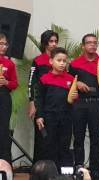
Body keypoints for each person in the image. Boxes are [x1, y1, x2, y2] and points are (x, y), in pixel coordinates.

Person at [69, 34, 99, 178]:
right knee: (78, 137)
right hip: (79, 104)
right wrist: (77, 83)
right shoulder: (75, 64)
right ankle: (79, 167)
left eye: (95, 43)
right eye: (89, 43)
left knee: (95, 138)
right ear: (83, 46)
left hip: (96, 103)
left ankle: (95, 168)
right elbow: (68, 83)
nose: (92, 45)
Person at [35, 47, 77, 170]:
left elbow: (73, 100)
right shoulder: (44, 79)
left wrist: (75, 97)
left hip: (66, 118)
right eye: (59, 60)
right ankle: (49, 173)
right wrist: (40, 116)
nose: (62, 63)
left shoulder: (70, 79)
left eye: (64, 61)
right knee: (49, 146)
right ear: (51, 61)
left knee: (64, 146)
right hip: (49, 118)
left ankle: (62, 174)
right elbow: (39, 99)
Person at [28, 30, 59, 163]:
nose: (54, 44)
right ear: (45, 43)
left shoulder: (60, 60)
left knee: (55, 138)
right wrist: (32, 103)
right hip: (41, 105)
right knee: (41, 137)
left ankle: (54, 169)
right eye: (51, 41)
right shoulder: (38, 61)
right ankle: (38, 169)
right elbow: (31, 83)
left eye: (56, 41)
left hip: (56, 106)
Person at [0, 33, 18, 163]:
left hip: (4, 98)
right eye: (1, 43)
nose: (4, 46)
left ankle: (4, 162)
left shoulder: (9, 63)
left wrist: (6, 82)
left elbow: (15, 83)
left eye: (5, 44)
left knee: (3, 129)